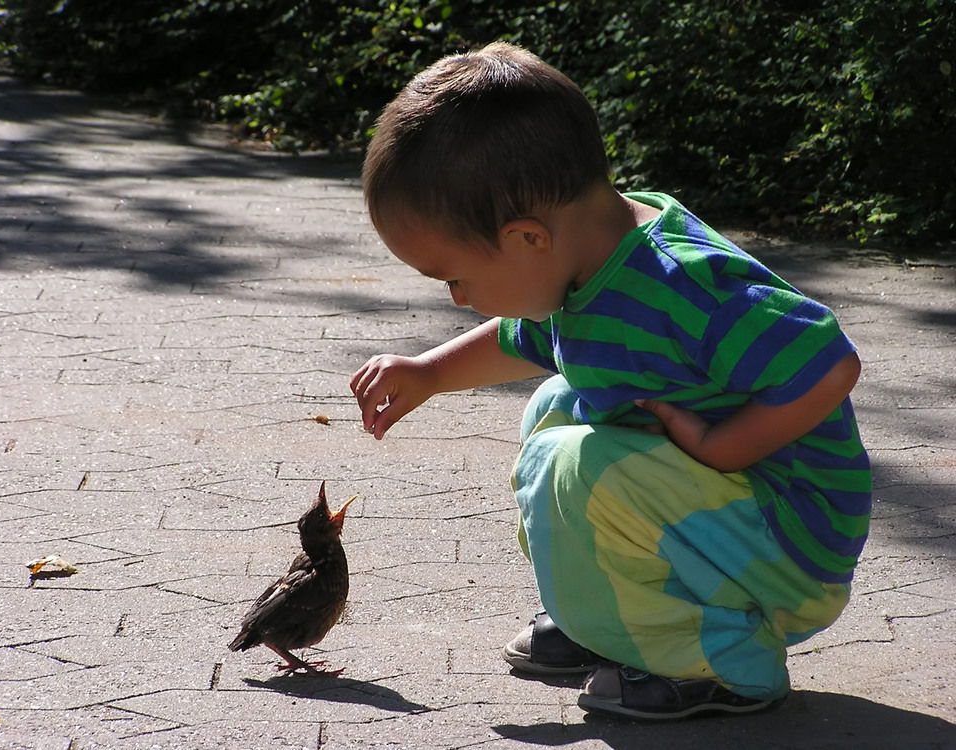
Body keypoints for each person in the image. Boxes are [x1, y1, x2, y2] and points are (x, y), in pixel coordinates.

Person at [349, 41, 871, 721]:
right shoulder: (585, 268)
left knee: (574, 463)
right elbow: (524, 339)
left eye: (455, 277)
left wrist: (724, 447)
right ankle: (607, 616)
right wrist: (430, 372)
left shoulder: (685, 283)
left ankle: (723, 660)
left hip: (789, 545)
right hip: (727, 526)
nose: (457, 298)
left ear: (529, 239)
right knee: (558, 403)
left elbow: (829, 363)